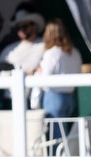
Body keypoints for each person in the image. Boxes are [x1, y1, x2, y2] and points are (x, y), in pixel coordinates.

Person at [33, 18, 81, 146]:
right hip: (70, 98)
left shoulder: (52, 53)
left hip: (54, 98)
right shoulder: (75, 53)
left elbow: (45, 80)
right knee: (66, 138)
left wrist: (38, 72)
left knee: (57, 141)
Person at [0, 8, 44, 107]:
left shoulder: (44, 45)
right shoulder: (10, 49)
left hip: (32, 100)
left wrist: (16, 68)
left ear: (34, 26)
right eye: (18, 27)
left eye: (24, 26)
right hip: (9, 99)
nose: (20, 30)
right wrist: (8, 71)